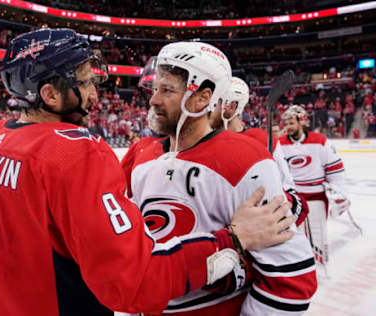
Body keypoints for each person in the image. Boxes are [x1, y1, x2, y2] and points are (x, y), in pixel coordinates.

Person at [0, 28, 295, 316]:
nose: (94, 94)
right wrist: (232, 239)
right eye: (86, 84)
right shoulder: (74, 153)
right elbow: (135, 283)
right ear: (50, 95)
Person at [121, 43, 316, 315]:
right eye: (154, 89)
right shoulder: (141, 156)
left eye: (167, 90)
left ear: (202, 98)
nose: (153, 100)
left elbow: (292, 278)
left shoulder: (245, 159)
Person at [209, 77, 308, 226]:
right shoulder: (202, 143)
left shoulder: (262, 140)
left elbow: (289, 189)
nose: (207, 108)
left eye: (214, 103)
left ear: (231, 106)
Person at [279, 105, 349, 267]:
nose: (287, 127)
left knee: (317, 234)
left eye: (291, 123)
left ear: (302, 121)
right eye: (286, 124)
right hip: (293, 197)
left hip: (317, 196)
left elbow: (335, 170)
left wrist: (340, 192)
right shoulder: (279, 144)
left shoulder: (320, 141)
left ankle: (317, 267)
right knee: (295, 235)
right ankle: (300, 266)